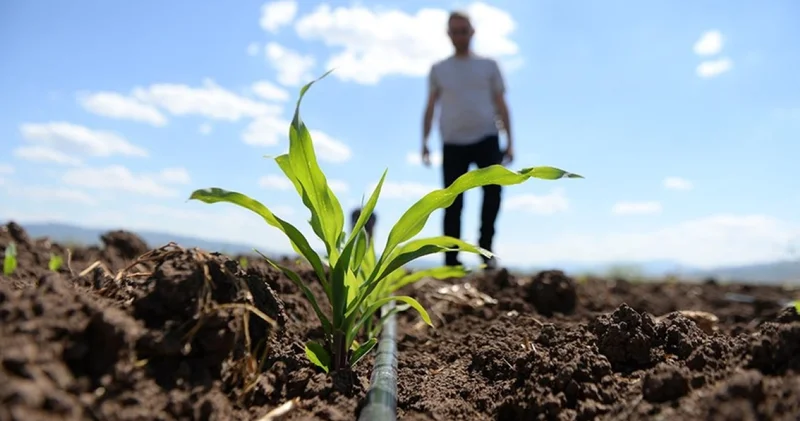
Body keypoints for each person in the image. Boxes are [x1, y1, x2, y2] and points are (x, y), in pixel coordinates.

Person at [421, 10, 513, 270]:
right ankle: (451, 260)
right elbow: (430, 106)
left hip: (487, 137)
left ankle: (486, 252)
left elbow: (501, 103)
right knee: (451, 201)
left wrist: (511, 140)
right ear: (449, 35)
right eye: (455, 31)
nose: (460, 35)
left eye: (464, 30)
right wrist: (425, 141)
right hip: (453, 142)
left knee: (493, 194)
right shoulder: (439, 69)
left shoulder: (488, 66)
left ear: (472, 32)